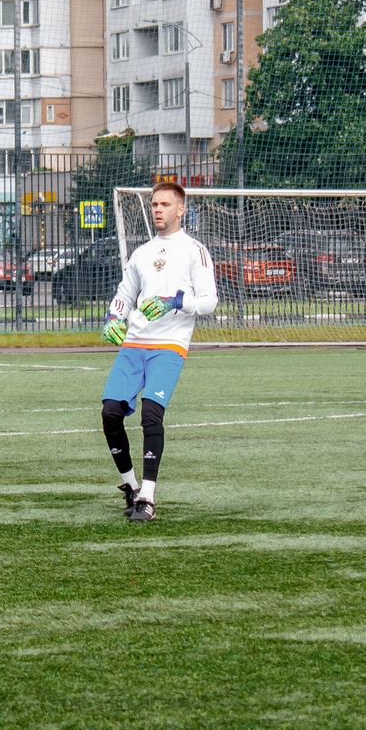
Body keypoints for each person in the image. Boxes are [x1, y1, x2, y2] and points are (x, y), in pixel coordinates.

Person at [100, 179, 219, 522]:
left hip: (168, 346)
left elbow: (209, 301)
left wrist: (175, 301)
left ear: (181, 210)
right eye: (154, 204)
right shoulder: (142, 253)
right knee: (110, 413)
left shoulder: (194, 250)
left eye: (165, 204)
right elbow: (125, 294)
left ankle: (147, 499)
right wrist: (113, 317)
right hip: (134, 343)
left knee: (151, 413)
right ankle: (130, 487)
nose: (157, 209)